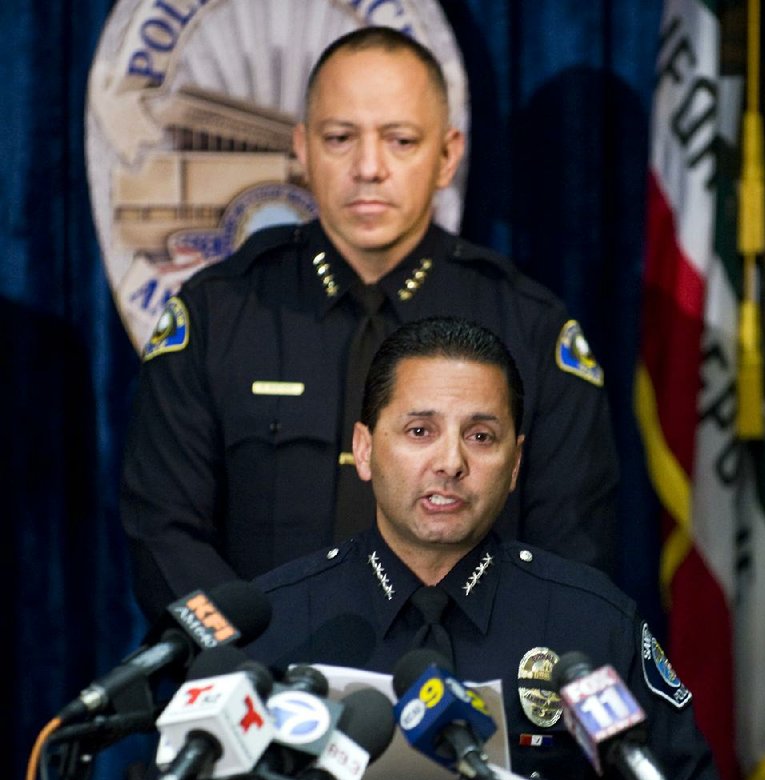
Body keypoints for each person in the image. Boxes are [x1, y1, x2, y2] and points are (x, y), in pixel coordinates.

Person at [121, 26, 619, 623]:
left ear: (447, 155)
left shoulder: (528, 326)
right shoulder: (217, 313)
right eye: (340, 138)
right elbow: (163, 535)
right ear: (302, 150)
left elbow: (572, 548)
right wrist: (255, 679)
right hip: (256, 690)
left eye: (401, 140)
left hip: (469, 692)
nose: (368, 167)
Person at [248, 317, 717, 780]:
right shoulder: (279, 625)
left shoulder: (592, 626)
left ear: (514, 464)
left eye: (480, 437)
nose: (451, 462)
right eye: (420, 430)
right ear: (364, 451)